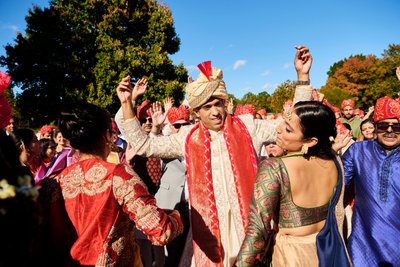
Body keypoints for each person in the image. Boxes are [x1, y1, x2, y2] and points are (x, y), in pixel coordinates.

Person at [116, 46, 315, 266]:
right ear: (196, 112)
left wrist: (302, 77)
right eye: (207, 107)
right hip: (208, 233)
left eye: (218, 104)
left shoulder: (248, 127)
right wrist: (127, 104)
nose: (215, 112)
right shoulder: (187, 137)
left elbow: (290, 124)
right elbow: (144, 145)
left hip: (250, 229)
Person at [56, 102, 183, 266]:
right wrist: (177, 216)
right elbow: (161, 231)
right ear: (107, 135)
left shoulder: (55, 182)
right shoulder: (119, 176)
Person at [236, 101, 351, 266]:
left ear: (310, 141)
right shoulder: (334, 160)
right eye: (284, 121)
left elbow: (258, 227)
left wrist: (241, 264)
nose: (279, 129)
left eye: (288, 129)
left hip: (291, 256)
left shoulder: (274, 167)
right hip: (327, 251)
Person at [342, 96, 400, 266]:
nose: (390, 130)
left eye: (397, 126)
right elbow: (335, 184)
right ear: (375, 127)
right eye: (383, 125)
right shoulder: (358, 151)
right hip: (364, 245)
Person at [155, 104, 192, 267]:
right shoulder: (164, 145)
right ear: (171, 127)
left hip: (194, 209)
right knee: (172, 256)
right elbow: (150, 147)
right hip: (171, 209)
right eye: (178, 125)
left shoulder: (198, 146)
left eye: (186, 125)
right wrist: (156, 128)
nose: (182, 129)